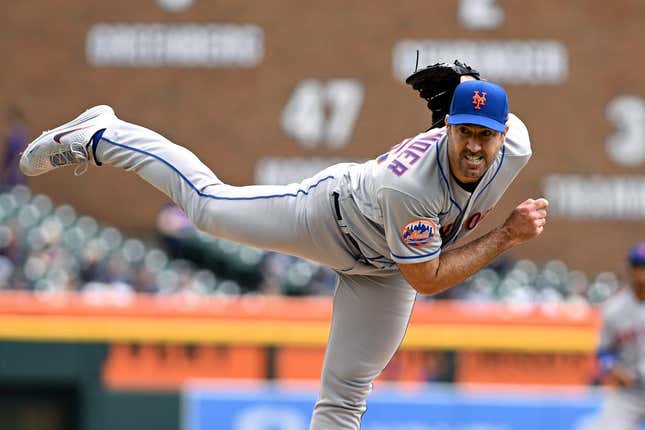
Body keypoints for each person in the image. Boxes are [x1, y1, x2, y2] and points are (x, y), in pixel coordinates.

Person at [19, 66, 548, 429]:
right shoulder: (409, 187)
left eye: (486, 134)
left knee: (345, 394)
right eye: (465, 132)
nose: (475, 145)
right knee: (208, 208)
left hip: (384, 270)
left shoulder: (517, 142)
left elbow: (488, 106)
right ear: (447, 128)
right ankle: (104, 134)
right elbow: (428, 279)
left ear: (503, 135)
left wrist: (468, 81)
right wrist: (506, 235)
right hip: (333, 218)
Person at [592, 243, 645, 430]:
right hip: (631, 390)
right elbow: (603, 352)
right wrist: (614, 370)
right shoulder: (614, 308)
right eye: (639, 266)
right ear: (631, 269)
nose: (642, 273)